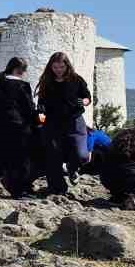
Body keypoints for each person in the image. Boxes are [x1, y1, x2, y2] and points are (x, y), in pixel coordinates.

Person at [34, 52, 92, 195]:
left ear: (67, 66)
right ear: (50, 67)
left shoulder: (76, 80)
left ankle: (72, 168)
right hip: (52, 123)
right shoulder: (47, 81)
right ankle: (57, 189)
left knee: (81, 155)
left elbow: (88, 98)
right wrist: (41, 118)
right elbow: (41, 103)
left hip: (74, 121)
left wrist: (83, 101)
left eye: (61, 67)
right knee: (53, 155)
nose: (58, 70)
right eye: (55, 67)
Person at [0, 57, 36, 198]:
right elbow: (29, 109)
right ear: (19, 70)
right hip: (17, 128)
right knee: (20, 160)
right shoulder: (22, 86)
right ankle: (19, 191)